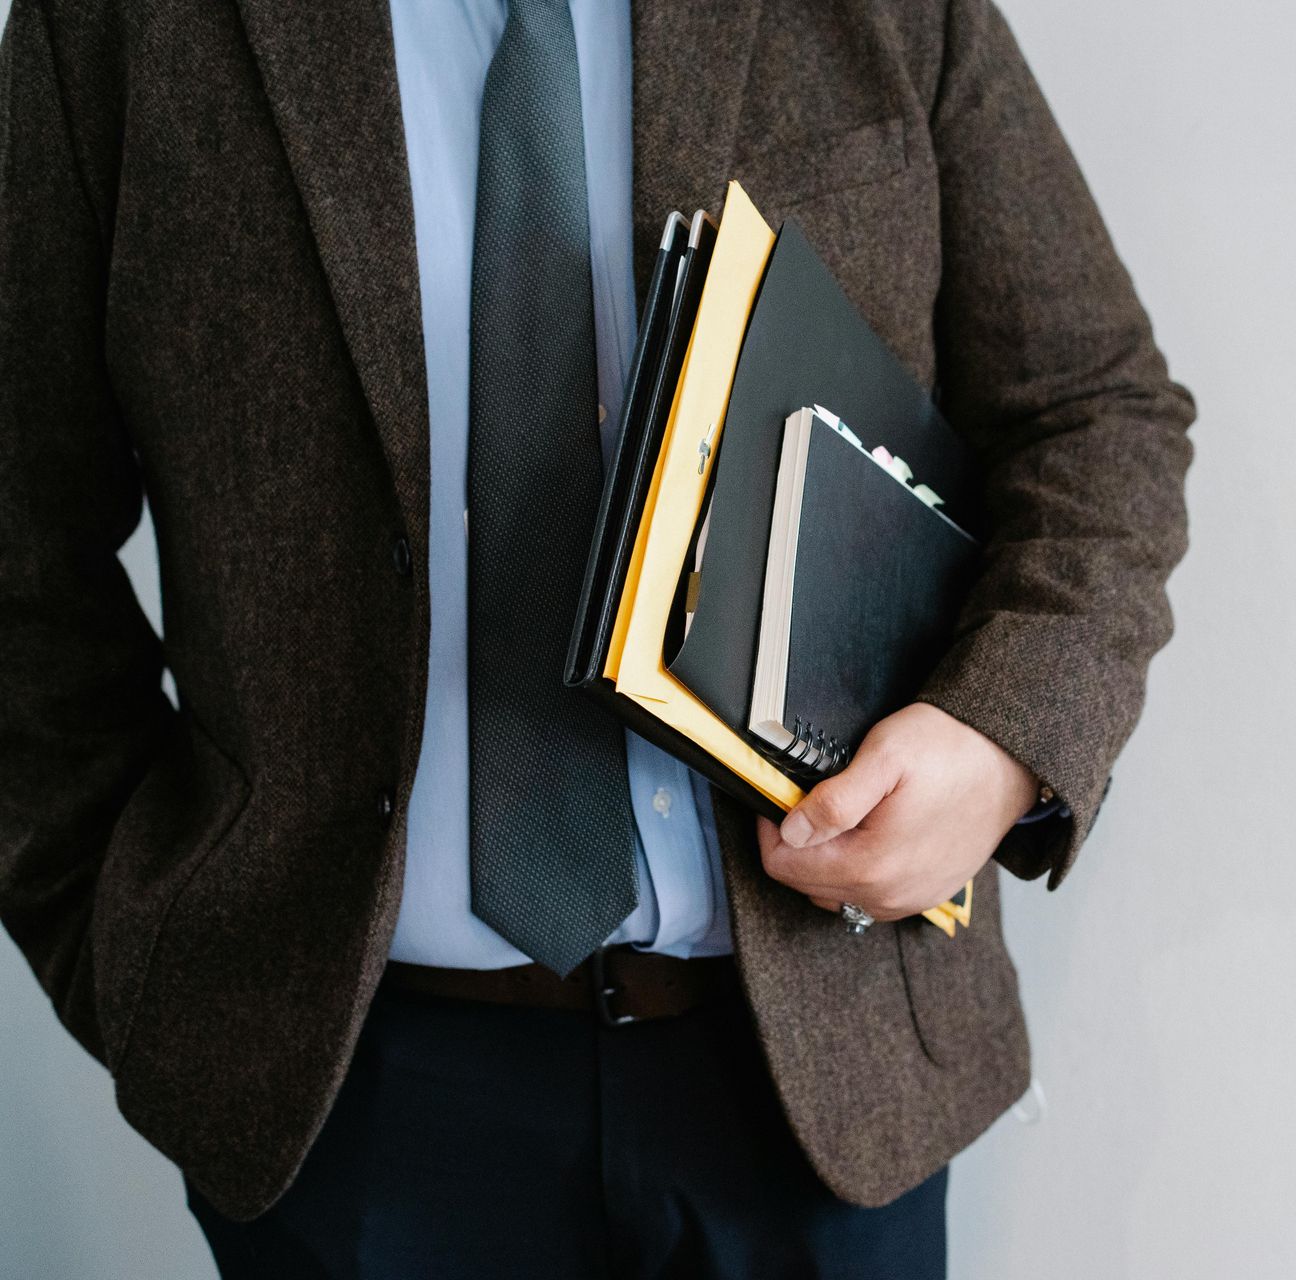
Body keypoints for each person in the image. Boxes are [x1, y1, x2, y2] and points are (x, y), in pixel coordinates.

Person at [0, 0, 1193, 1273]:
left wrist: (1006, 735)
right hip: (350, 1103)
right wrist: (140, 961)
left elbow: (1093, 409)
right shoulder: (118, 26)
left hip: (823, 1073)